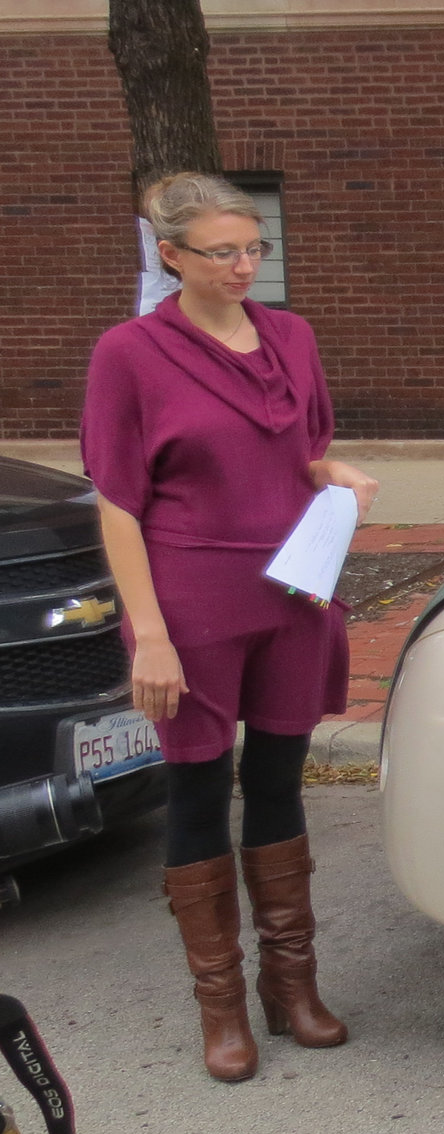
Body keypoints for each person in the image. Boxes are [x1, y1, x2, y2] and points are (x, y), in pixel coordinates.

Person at [81, 173, 377, 1083]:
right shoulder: (129, 354)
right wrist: (152, 632)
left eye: (254, 247)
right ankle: (222, 1005)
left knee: (282, 778)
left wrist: (337, 473)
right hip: (193, 602)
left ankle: (293, 986)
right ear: (169, 255)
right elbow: (120, 503)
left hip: (293, 589)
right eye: (222, 251)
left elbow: (303, 448)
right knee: (202, 788)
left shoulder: (292, 337)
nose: (244, 265)